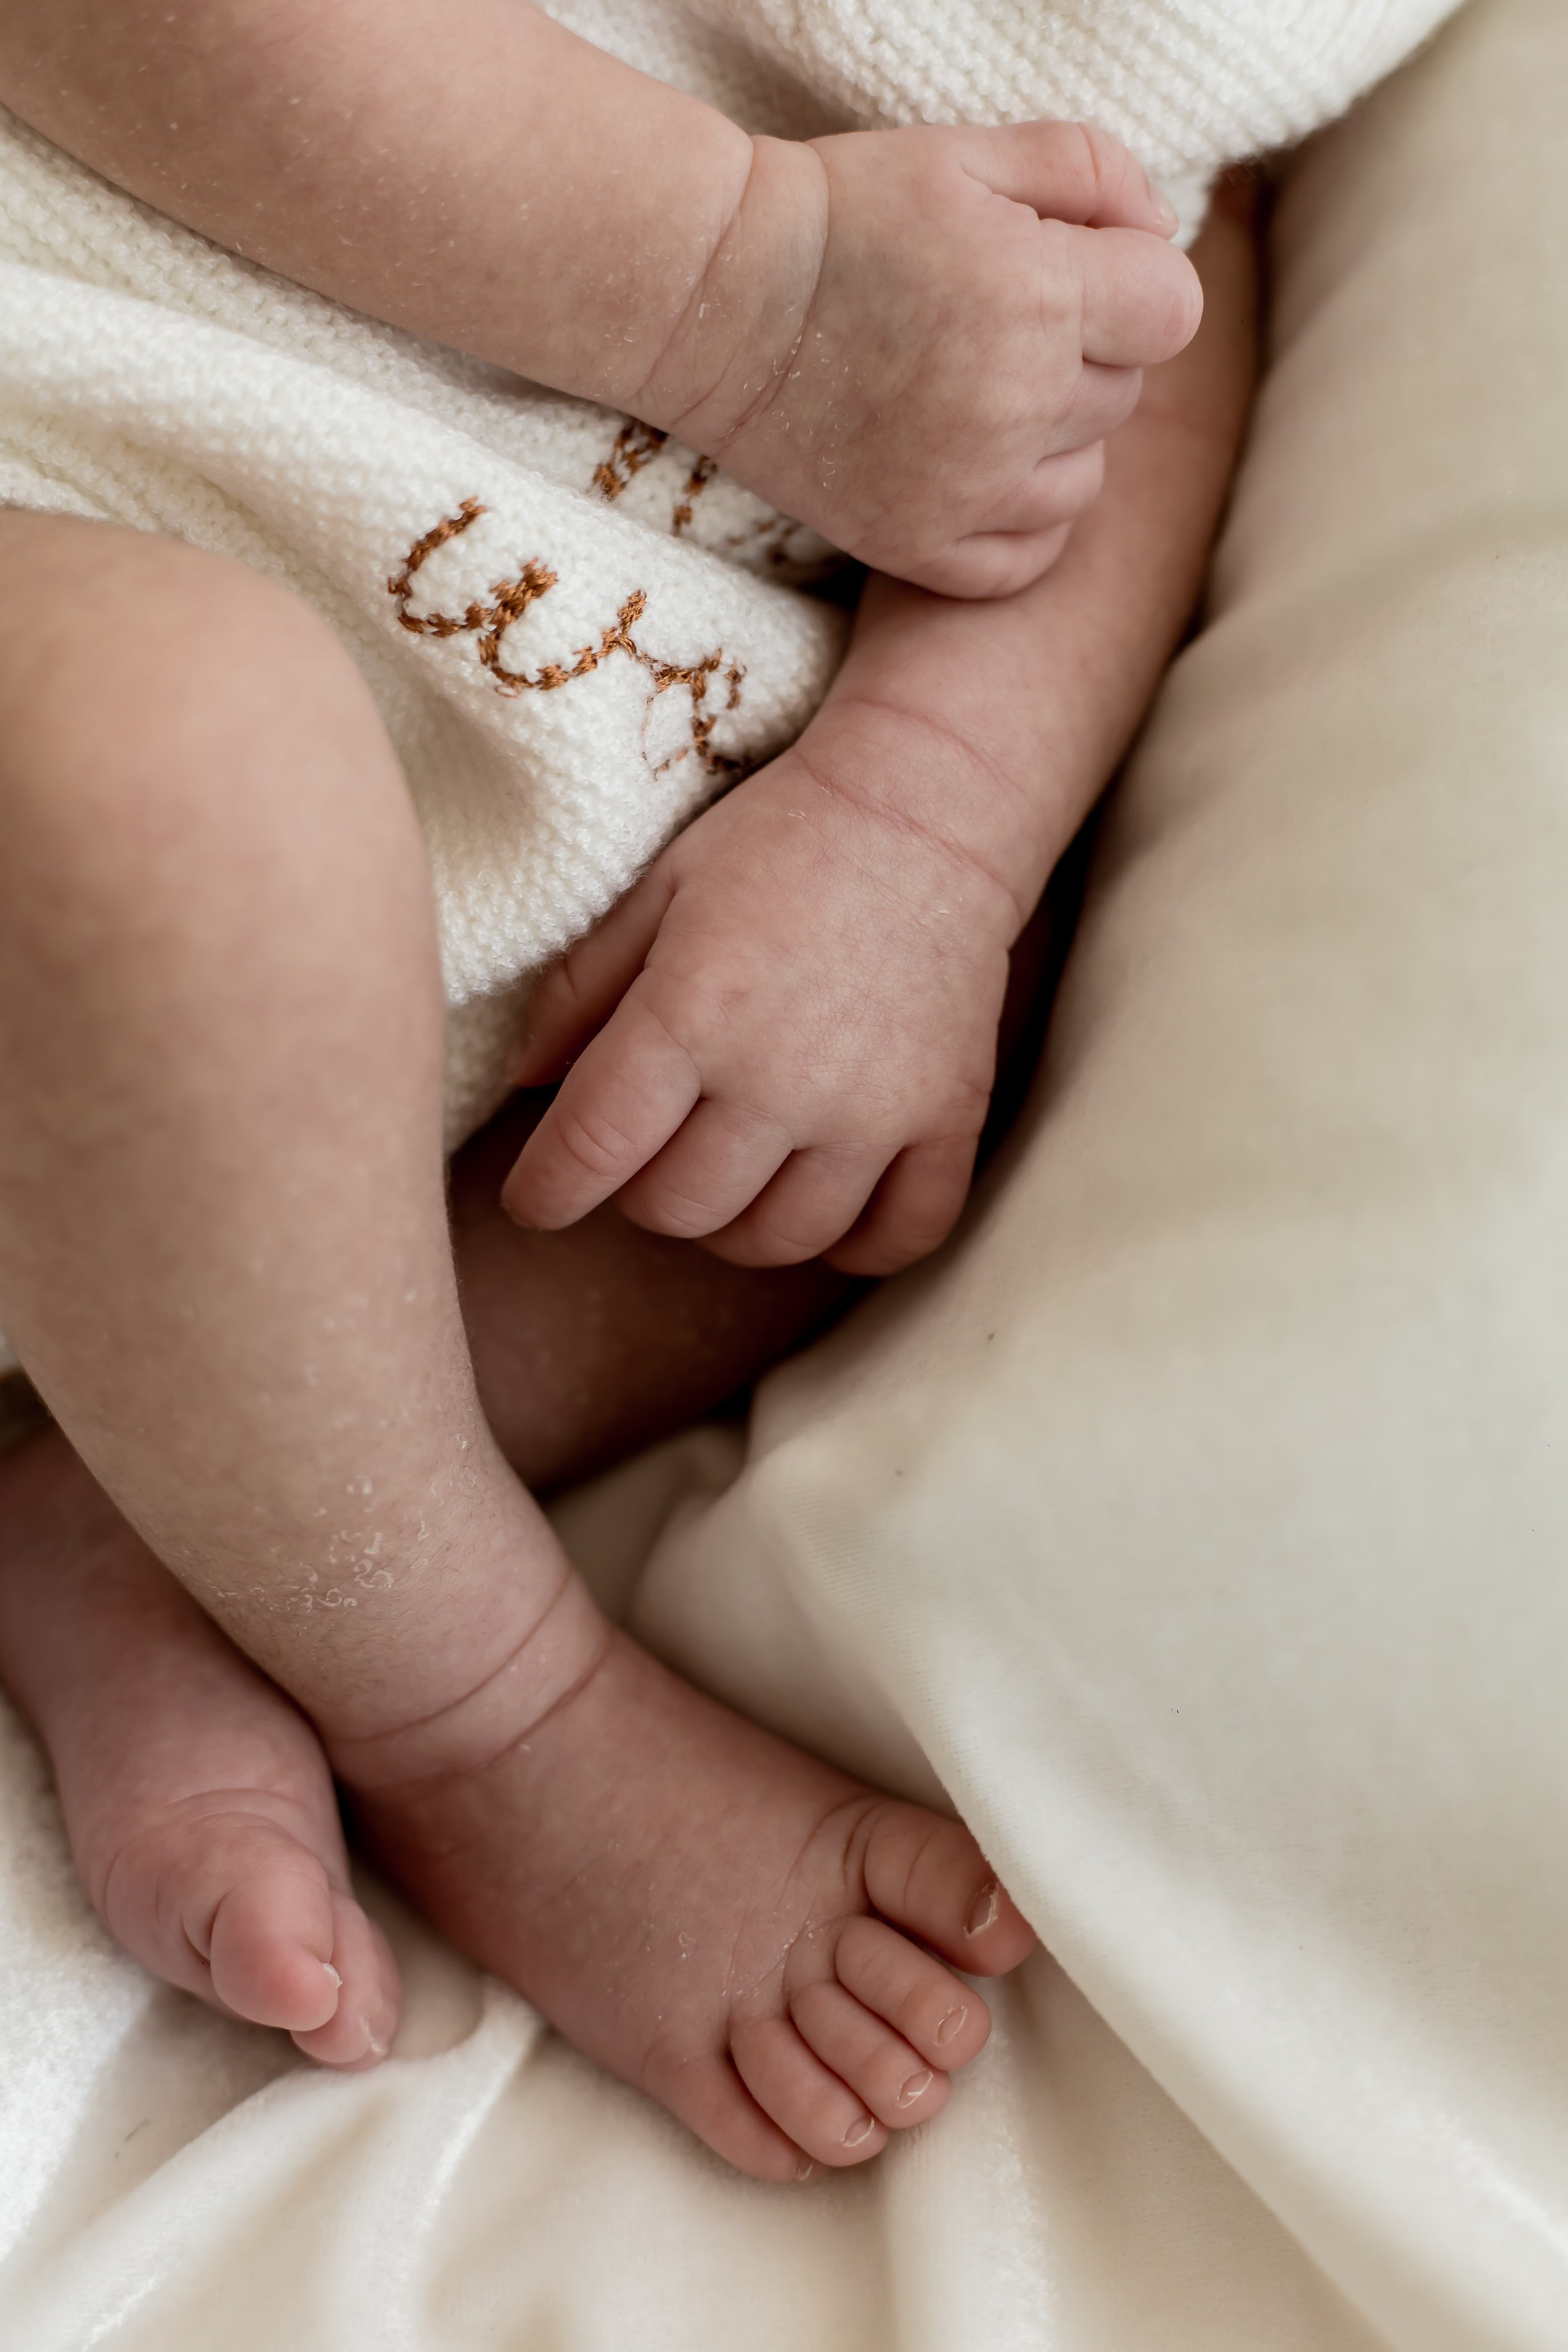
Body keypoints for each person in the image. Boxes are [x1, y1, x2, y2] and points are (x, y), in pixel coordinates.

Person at [0, 0, 1257, 2181]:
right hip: (79, 486)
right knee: (167, 769)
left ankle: (169, 1517)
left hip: (473, 989)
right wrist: (744, 284)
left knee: (878, 1080)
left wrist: (926, 826)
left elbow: (1149, 294)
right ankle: (473, 1699)